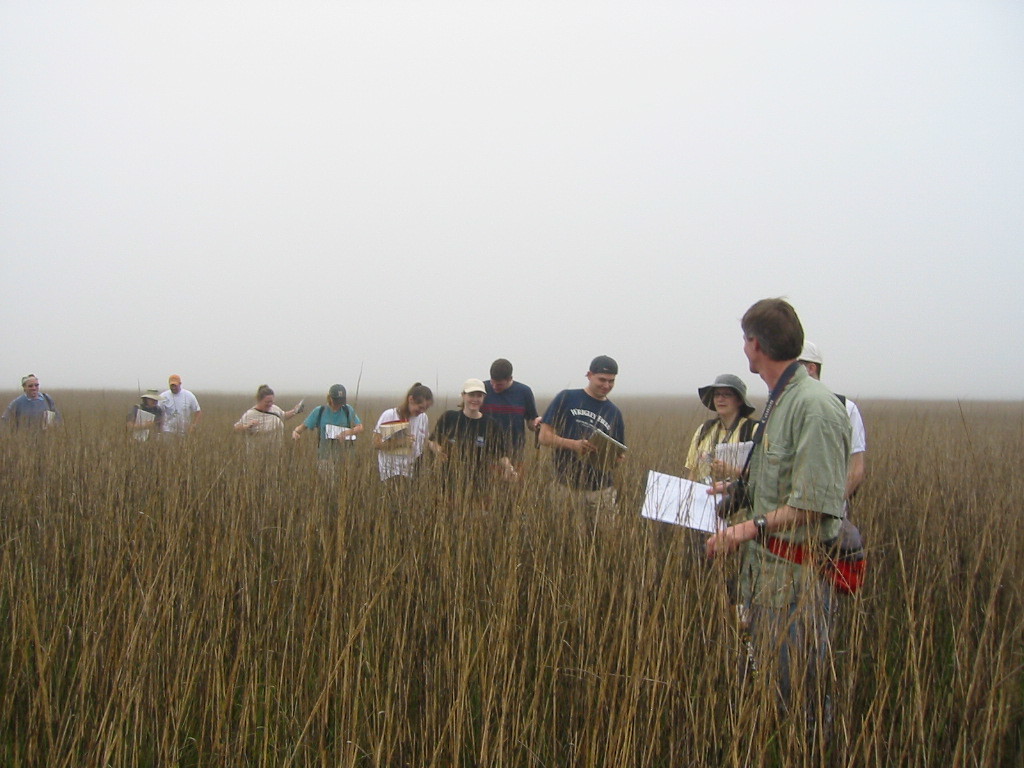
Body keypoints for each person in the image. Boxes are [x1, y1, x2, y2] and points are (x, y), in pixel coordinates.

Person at [705, 298, 850, 726]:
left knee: (801, 695)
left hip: (796, 585)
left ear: (754, 346)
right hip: (764, 577)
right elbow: (777, 482)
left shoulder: (814, 406)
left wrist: (744, 530)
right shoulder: (779, 398)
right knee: (771, 684)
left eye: (745, 340)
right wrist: (735, 489)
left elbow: (814, 504)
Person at [538, 355, 626, 515]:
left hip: (601, 490)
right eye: (602, 379)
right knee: (563, 533)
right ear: (589, 375)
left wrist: (616, 458)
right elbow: (544, 437)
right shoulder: (567, 398)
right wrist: (574, 445)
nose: (606, 385)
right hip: (566, 486)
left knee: (605, 537)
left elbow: (618, 454)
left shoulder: (614, 413)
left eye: (611, 381)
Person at [799, 341, 867, 508]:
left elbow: (856, 469)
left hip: (829, 517)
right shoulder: (780, 408)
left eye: (793, 367)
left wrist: (828, 508)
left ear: (811, 368)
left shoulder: (845, 408)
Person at [431, 378, 516, 504]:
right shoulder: (449, 418)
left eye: (479, 396)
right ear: (463, 396)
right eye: (471, 395)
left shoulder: (491, 425)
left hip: (479, 483)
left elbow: (500, 453)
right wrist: (438, 450)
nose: (475, 399)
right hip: (447, 483)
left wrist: (509, 468)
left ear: (483, 398)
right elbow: (432, 441)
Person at [684, 374, 758, 485]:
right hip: (704, 498)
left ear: (739, 400)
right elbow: (693, 473)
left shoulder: (753, 430)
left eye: (727, 394)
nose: (720, 399)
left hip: (738, 500)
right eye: (716, 394)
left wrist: (732, 471)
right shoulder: (704, 430)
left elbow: (765, 476)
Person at [372, 383, 434, 489]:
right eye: (420, 407)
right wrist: (401, 442)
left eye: (426, 408)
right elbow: (376, 443)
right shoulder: (390, 415)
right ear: (411, 399)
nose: (422, 411)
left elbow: (424, 440)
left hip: (413, 471)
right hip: (391, 472)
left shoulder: (423, 418)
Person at [482, 358, 540, 465]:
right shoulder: (481, 389)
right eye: (492, 382)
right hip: (484, 450)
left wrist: (538, 424)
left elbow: (531, 423)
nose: (494, 387)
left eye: (499, 385)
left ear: (510, 379)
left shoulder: (524, 392)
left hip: (514, 451)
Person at [292, 384, 364, 464]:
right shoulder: (319, 411)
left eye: (341, 402)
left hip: (345, 457)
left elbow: (360, 427)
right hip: (324, 457)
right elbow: (302, 427)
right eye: (336, 401)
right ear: (330, 398)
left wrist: (347, 432)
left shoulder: (348, 410)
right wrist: (295, 432)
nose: (338, 404)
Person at [233, 385, 303, 442]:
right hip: (257, 453)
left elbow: (283, 416)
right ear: (259, 400)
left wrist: (295, 411)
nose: (270, 404)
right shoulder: (250, 414)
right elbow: (236, 428)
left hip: (276, 450)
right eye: (267, 402)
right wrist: (247, 426)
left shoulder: (274, 408)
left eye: (271, 401)